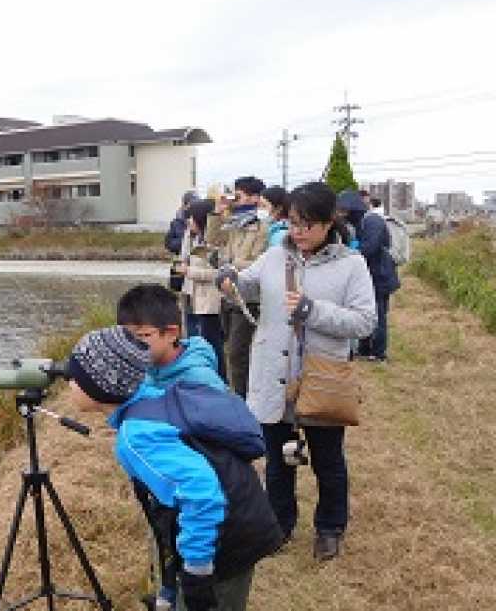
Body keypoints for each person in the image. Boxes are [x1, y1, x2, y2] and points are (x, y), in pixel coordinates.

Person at [66, 320, 282, 611]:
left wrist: (196, 571)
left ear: (101, 386)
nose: (69, 382)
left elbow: (201, 493)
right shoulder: (154, 398)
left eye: (76, 377)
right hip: (239, 517)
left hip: (225, 540)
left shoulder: (135, 436)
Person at [215, 181, 376, 561]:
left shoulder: (351, 264)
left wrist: (312, 310)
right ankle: (279, 525)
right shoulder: (274, 256)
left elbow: (365, 321)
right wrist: (229, 280)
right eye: (293, 223)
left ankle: (330, 528)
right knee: (277, 458)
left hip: (320, 376)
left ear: (328, 222)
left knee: (327, 460)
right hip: (273, 372)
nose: (298, 232)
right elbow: (249, 285)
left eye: (308, 224)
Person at [221, 176, 269, 399]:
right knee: (232, 351)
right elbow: (214, 240)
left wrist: (232, 266)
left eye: (238, 195)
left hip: (249, 297)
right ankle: (240, 394)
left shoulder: (262, 226)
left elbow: (262, 262)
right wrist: (217, 211)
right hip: (229, 293)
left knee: (238, 352)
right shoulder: (236, 223)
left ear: (253, 197)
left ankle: (243, 398)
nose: (235, 199)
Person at [179, 199, 227, 382]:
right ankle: (201, 376)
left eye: (191, 217)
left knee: (212, 343)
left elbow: (218, 273)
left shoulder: (214, 242)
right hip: (192, 296)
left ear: (201, 218)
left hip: (209, 300)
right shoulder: (192, 237)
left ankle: (219, 380)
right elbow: (184, 257)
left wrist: (189, 271)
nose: (188, 221)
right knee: (195, 340)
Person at [356, 196, 400, 361]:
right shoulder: (367, 221)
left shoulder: (372, 221)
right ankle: (365, 349)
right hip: (375, 273)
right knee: (367, 311)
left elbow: (370, 247)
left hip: (380, 275)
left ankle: (379, 353)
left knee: (378, 314)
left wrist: (354, 252)